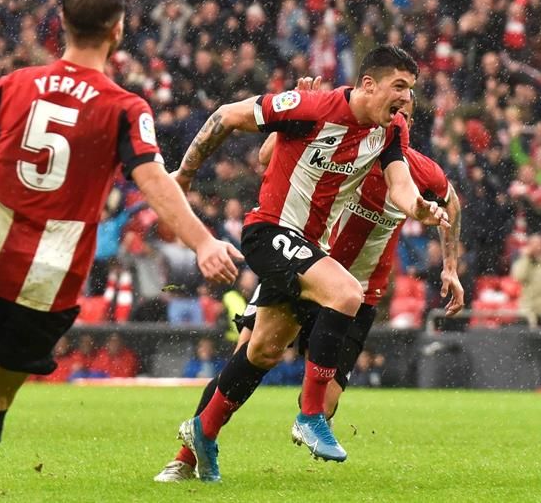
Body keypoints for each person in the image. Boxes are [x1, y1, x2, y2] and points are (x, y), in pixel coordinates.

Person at [0, 0, 241, 502]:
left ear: (61, 23)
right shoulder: (126, 107)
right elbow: (154, 181)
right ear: (118, 30)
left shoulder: (12, 86)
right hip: (53, 278)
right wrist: (203, 243)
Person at [155, 84, 464, 482]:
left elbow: (450, 201)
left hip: (360, 293)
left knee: (324, 399)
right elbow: (269, 156)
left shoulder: (410, 166)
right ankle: (187, 456)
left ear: (405, 124)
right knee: (253, 352)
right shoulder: (343, 134)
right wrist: (291, 122)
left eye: (403, 110)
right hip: (304, 261)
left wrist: (450, 266)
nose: (396, 114)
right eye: (394, 103)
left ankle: (308, 414)